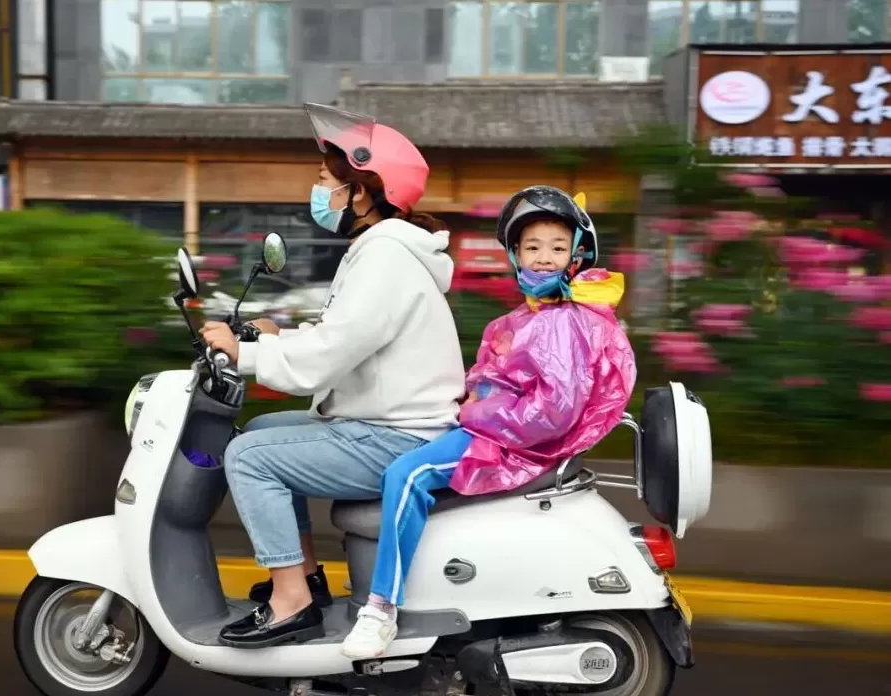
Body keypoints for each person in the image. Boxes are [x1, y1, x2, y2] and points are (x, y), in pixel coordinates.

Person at [199, 103, 466, 649]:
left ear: (359, 192)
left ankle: (291, 602)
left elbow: (329, 354)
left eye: (325, 179)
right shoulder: (380, 249)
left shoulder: (386, 257)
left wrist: (245, 354)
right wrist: (276, 336)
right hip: (386, 424)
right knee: (259, 432)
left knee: (248, 458)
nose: (317, 190)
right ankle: (306, 577)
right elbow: (343, 335)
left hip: (396, 437)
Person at [340, 185, 638, 660]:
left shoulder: (563, 321)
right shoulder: (526, 318)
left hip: (513, 444)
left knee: (406, 475)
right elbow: (487, 382)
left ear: (576, 257)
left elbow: (552, 413)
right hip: (496, 431)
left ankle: (380, 610)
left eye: (557, 248)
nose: (544, 258)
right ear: (516, 254)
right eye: (533, 247)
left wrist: (473, 412)